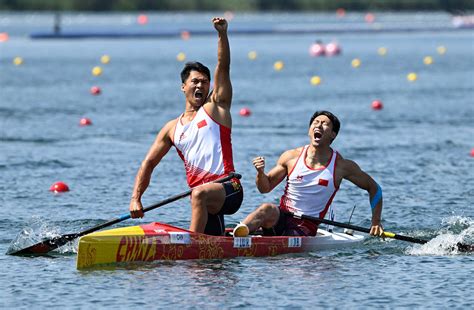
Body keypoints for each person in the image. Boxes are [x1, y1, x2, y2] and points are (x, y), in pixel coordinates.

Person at [129, 17, 243, 236]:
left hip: (230, 189)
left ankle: (191, 246)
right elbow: (149, 163)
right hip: (203, 198)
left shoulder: (215, 108)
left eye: (205, 82)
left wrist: (222, 34)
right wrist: (136, 198)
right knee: (210, 262)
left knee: (198, 194)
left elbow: (224, 66)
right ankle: (215, 244)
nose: (201, 85)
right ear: (183, 87)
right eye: (195, 81)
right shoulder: (172, 128)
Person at [233, 110, 384, 237]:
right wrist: (260, 173)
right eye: (316, 122)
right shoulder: (291, 157)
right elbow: (264, 188)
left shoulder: (341, 166)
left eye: (325, 123)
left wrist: (375, 222)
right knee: (267, 208)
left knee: (292, 261)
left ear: (333, 134)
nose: (319, 125)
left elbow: (374, 188)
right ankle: (236, 236)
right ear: (309, 130)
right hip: (282, 217)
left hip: (306, 225)